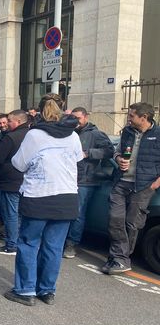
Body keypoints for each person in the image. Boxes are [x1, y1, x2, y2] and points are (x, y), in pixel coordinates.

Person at [4, 94, 82, 306]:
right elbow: (78, 159)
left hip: (39, 195)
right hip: (67, 196)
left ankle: (25, 290)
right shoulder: (73, 135)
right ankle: (47, 290)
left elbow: (19, 164)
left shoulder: (35, 135)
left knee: (29, 243)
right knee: (54, 247)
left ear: (38, 112)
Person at [102, 102, 160, 275]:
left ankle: (121, 258)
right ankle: (120, 258)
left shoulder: (158, 134)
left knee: (132, 224)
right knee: (115, 220)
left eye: (131, 115)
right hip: (122, 182)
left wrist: (156, 183)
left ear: (144, 117)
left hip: (144, 185)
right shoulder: (127, 131)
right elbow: (117, 150)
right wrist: (118, 158)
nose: (128, 118)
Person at [63, 107, 114, 258]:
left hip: (86, 180)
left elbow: (110, 151)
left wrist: (88, 153)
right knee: (66, 211)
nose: (76, 121)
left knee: (78, 213)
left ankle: (71, 244)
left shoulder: (96, 134)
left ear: (85, 117)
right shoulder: (69, 133)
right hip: (67, 178)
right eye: (73, 118)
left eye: (78, 118)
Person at [0, 110, 30, 256]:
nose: (7, 123)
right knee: (20, 213)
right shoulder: (32, 135)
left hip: (11, 180)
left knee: (11, 214)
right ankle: (19, 241)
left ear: (18, 122)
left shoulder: (11, 137)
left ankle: (11, 245)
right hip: (27, 180)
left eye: (10, 121)